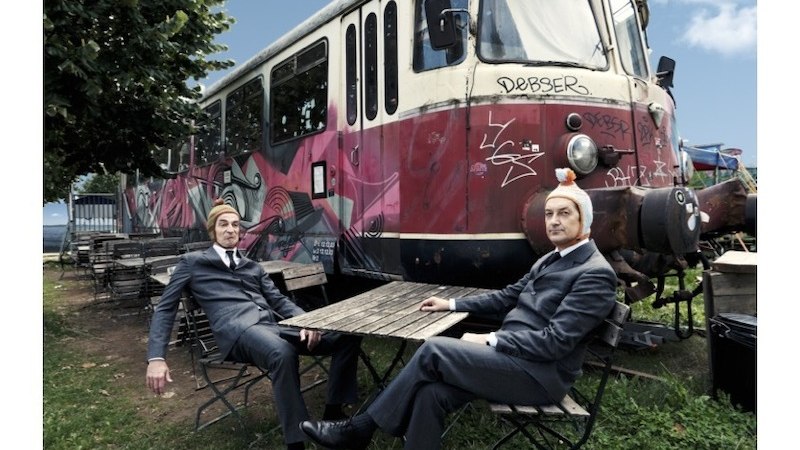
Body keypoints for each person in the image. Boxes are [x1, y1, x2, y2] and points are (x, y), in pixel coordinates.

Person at [299, 168, 618, 450]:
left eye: (564, 214)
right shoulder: (551, 258)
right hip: (515, 360)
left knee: (433, 350)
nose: (554, 221)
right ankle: (363, 431)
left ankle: (360, 430)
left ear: (584, 221)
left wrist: (492, 339)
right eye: (548, 214)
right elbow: (505, 297)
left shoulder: (594, 273)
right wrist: (451, 304)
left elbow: (554, 342)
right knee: (431, 394)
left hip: (539, 375)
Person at [146, 199, 362, 450]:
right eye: (223, 224)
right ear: (213, 230)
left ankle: (333, 412)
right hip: (237, 333)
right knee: (282, 352)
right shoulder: (192, 262)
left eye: (235, 225)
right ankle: (297, 441)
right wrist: (156, 358)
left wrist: (307, 322)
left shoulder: (252, 266)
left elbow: (279, 300)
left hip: (272, 327)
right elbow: (165, 307)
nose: (230, 230)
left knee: (347, 336)